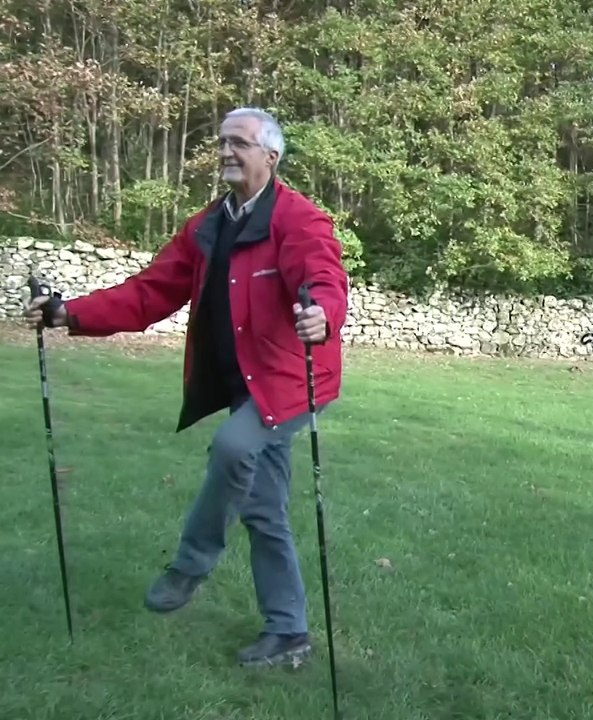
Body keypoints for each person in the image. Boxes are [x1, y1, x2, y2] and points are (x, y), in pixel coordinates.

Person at [23, 106, 350, 668]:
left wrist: (322, 312)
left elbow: (323, 276)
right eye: (222, 141)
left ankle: (191, 564)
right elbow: (149, 292)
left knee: (233, 447)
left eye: (239, 143)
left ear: (270, 157)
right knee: (264, 509)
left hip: (291, 378)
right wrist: (67, 313)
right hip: (238, 379)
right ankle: (289, 633)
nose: (226, 151)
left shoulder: (298, 219)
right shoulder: (208, 226)